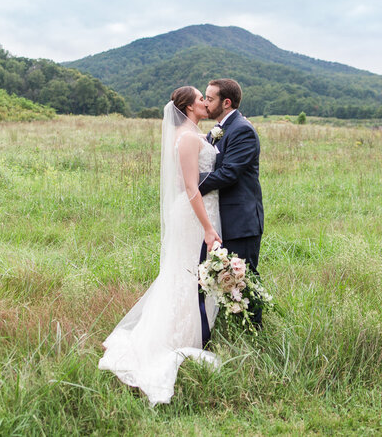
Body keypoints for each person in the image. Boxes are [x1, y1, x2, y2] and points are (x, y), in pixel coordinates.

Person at [98, 86, 222, 406]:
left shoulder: (194, 133)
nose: (205, 103)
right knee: (184, 273)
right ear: (187, 107)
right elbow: (192, 188)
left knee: (189, 273)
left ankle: (191, 332)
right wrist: (208, 228)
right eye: (200, 99)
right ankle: (175, 339)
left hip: (199, 212)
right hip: (195, 215)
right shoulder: (189, 137)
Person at [199, 78, 264, 327]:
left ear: (226, 103)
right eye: (204, 98)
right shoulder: (217, 130)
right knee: (227, 278)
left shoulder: (242, 130)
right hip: (222, 216)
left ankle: (253, 333)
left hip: (241, 219)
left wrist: (192, 185)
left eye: (210, 98)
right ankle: (232, 327)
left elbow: (229, 173)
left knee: (244, 278)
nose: (205, 102)